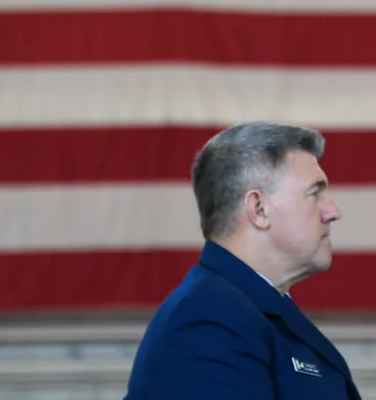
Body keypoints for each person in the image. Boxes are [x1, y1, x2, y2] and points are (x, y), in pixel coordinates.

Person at [125, 120, 361, 400]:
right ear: (259, 209)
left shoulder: (253, 313)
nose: (332, 211)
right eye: (314, 193)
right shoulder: (208, 322)